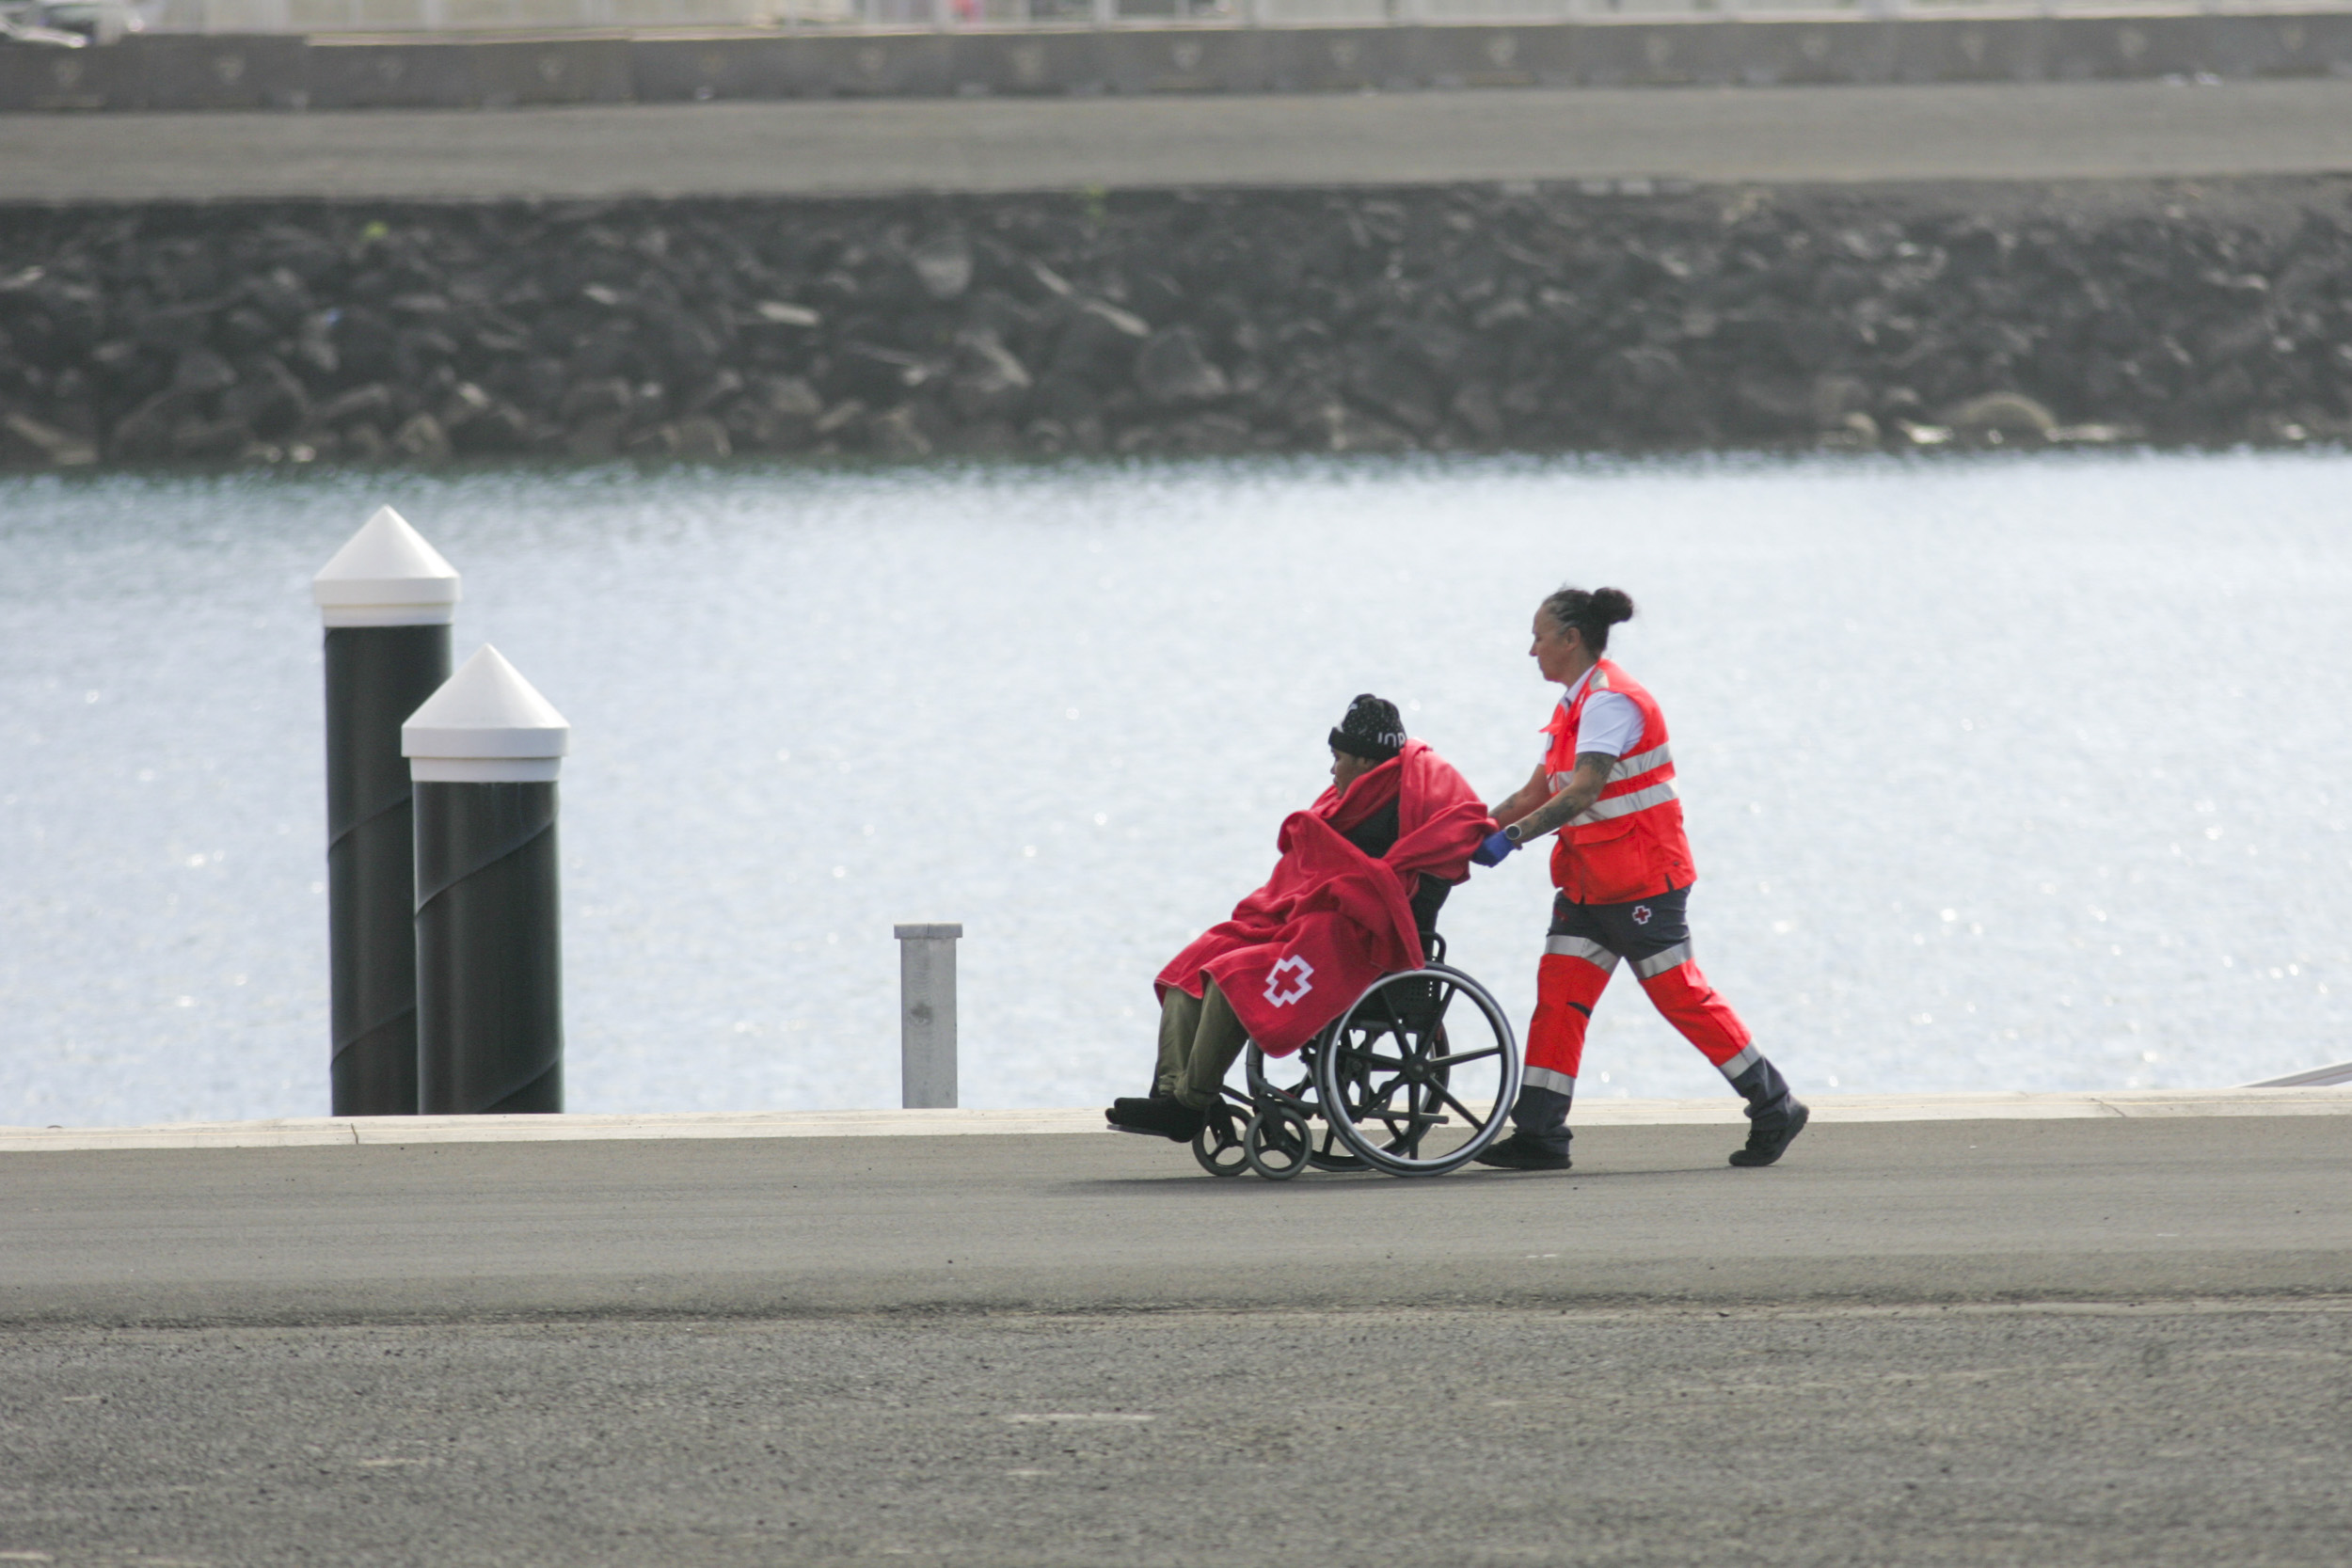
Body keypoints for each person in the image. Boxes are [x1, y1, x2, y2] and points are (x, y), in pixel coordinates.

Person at [1469, 586, 1808, 1172]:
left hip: (1642, 882)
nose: (1531, 651)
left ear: (1571, 640)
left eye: (1539, 637)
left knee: (1680, 998)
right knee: (1558, 1000)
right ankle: (1541, 1135)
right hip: (1588, 883)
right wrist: (1467, 829)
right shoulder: (1573, 707)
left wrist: (1512, 839)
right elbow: (1535, 792)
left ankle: (1774, 1105)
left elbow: (1583, 791)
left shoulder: (1609, 703)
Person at [1108, 694, 1490, 1143]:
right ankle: (1171, 1095)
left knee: (1231, 974)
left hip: (1362, 938)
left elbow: (1393, 879)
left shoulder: (1416, 797)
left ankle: (1192, 1100)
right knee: (1194, 965)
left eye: (1338, 758)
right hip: (1308, 919)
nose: (1332, 770)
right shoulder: (1346, 800)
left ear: (1366, 761)